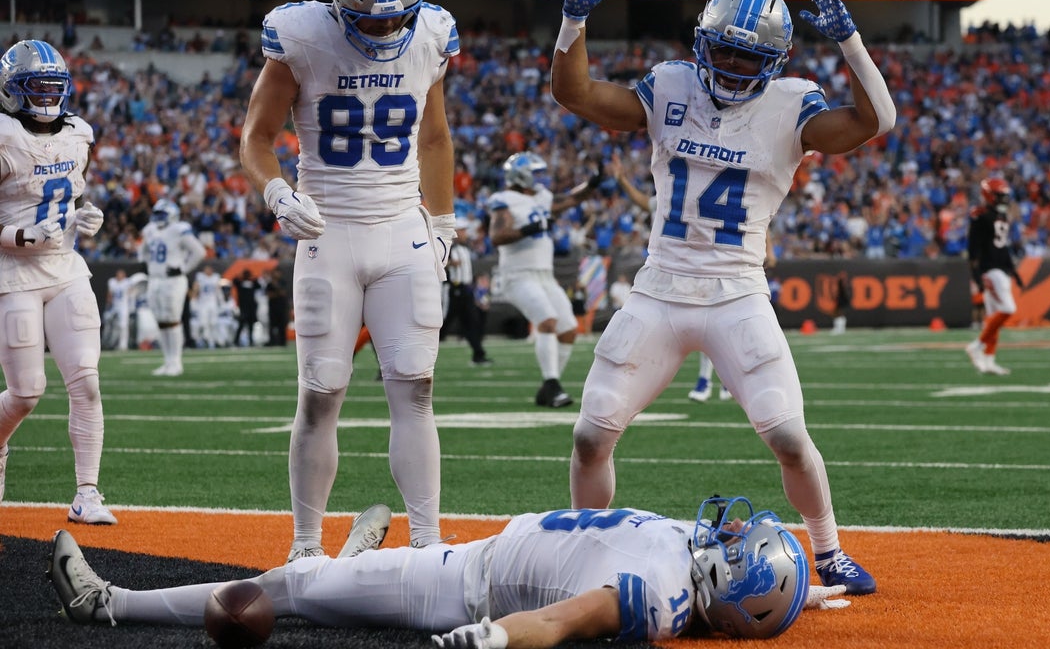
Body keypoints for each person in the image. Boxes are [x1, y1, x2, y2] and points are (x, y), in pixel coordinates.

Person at [551, 0, 898, 595]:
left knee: (790, 437)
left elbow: (878, 121)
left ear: (776, 60)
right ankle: (581, 553)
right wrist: (573, 21)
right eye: (725, 53)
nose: (735, 67)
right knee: (591, 432)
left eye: (749, 58)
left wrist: (850, 41)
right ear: (702, 44)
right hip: (658, 290)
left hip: (737, 293)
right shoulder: (672, 86)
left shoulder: (792, 108)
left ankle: (829, 549)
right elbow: (575, 93)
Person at [239, 0, 458, 560]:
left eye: (398, 18)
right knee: (321, 391)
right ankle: (305, 545)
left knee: (415, 387)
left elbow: (435, 137)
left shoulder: (432, 36)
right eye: (371, 17)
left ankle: (426, 544)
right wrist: (277, 193)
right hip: (327, 229)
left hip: (402, 230)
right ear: (337, 4)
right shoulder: (302, 39)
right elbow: (257, 136)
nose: (387, 30)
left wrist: (442, 223)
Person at [48, 494, 851, 644]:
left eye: (741, 547)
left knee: (291, 590)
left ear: (721, 587)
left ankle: (110, 605)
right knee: (321, 581)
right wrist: (813, 591)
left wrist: (489, 640)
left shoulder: (662, 597)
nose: (733, 531)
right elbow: (765, 599)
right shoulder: (698, 570)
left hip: (469, 587)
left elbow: (562, 621)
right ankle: (353, 561)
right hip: (479, 556)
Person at [0, 38, 117, 524]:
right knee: (26, 393)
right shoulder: (4, 136)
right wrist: (20, 234)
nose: (47, 97)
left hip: (66, 267)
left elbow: (70, 198)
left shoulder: (78, 135)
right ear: (12, 91)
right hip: (15, 274)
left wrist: (89, 218)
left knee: (87, 383)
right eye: (36, 87)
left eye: (54, 87)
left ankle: (87, 493)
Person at [607, 154, 734, 404]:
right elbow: (647, 203)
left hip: (703, 268)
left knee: (710, 327)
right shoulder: (679, 193)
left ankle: (709, 380)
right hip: (677, 269)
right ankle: (715, 380)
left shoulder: (695, 191)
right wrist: (622, 181)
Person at [487, 152, 601, 408]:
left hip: (545, 275)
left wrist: (592, 184)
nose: (540, 178)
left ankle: (549, 387)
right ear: (521, 174)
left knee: (569, 329)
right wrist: (529, 229)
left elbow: (572, 198)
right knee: (547, 320)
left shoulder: (541, 196)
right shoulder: (503, 199)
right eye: (535, 172)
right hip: (518, 274)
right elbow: (497, 235)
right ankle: (552, 385)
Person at [138, 199, 206, 376]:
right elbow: (142, 252)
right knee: (161, 321)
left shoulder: (179, 229)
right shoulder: (149, 230)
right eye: (157, 214)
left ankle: (176, 362)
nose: (159, 218)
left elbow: (199, 252)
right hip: (155, 279)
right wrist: (148, 265)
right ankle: (167, 362)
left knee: (172, 320)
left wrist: (183, 268)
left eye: (163, 214)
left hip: (173, 280)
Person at [965, 177, 1022, 376]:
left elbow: (1002, 246)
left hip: (1001, 269)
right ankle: (977, 345)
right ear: (990, 195)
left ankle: (989, 361)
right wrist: (976, 274)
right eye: (1000, 196)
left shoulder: (1000, 216)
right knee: (1008, 309)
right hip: (990, 270)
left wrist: (1013, 270)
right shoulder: (980, 215)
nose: (1004, 200)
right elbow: (973, 249)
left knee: (993, 319)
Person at [442, 218, 491, 365]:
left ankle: (478, 354)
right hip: (453, 289)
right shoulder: (447, 246)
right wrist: (450, 263)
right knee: (443, 324)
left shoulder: (465, 247)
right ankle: (421, 355)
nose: (465, 233)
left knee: (472, 322)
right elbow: (435, 262)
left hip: (466, 289)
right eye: (462, 230)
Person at [191, 264, 225, 348]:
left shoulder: (215, 277)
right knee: (203, 323)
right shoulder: (200, 277)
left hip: (212, 303)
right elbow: (196, 288)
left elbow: (218, 291)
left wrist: (221, 301)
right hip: (203, 303)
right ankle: (205, 339)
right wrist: (193, 300)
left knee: (213, 323)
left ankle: (215, 340)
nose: (207, 271)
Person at [233, 269, 261, 347]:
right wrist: (240, 276)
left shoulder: (252, 283)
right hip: (243, 308)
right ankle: (236, 340)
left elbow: (259, 285)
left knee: (250, 325)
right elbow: (234, 281)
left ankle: (251, 340)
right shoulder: (240, 283)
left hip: (251, 307)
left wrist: (252, 278)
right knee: (241, 325)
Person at [830, 270, 850, 335]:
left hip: (842, 299)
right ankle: (839, 328)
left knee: (838, 313)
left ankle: (840, 328)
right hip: (841, 299)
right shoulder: (840, 283)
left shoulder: (841, 283)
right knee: (837, 313)